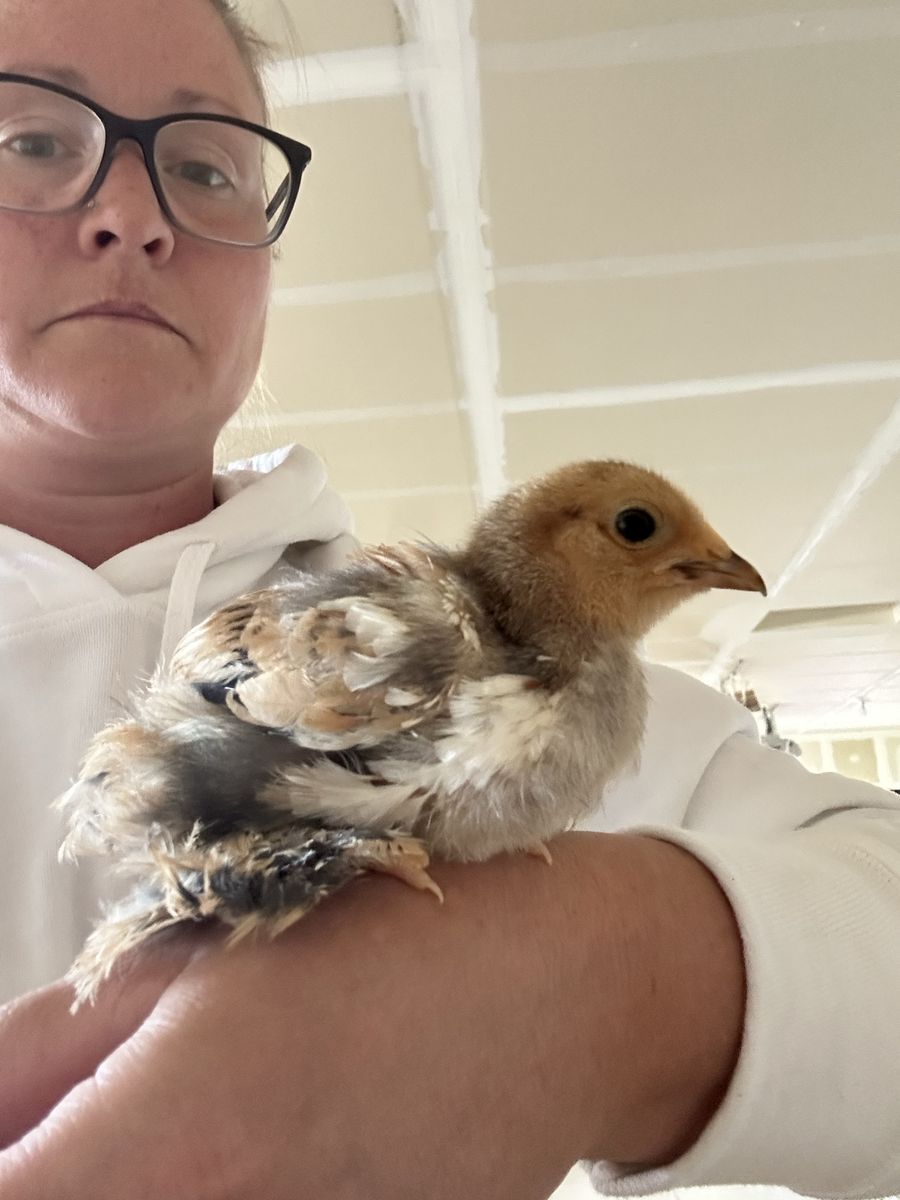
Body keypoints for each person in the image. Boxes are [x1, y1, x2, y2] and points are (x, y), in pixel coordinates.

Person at [1, 2, 899, 1197]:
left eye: (202, 163)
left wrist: (618, 980)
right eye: (32, 141)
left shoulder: (523, 684)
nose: (130, 214)